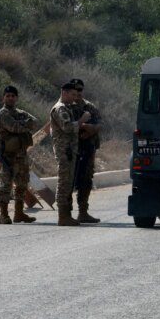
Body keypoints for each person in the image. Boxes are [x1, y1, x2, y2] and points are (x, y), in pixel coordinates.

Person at [0, 85, 38, 224]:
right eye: (8, 96)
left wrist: (21, 125)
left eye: (13, 96)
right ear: (3, 98)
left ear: (16, 98)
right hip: (8, 156)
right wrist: (23, 125)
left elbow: (35, 122)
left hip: (21, 155)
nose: (10, 98)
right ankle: (3, 215)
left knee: (22, 184)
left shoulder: (20, 112)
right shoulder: (2, 114)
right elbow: (15, 127)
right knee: (6, 185)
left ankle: (19, 213)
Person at [50, 81, 91, 226]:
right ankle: (63, 216)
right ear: (64, 92)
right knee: (64, 183)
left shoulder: (67, 107)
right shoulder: (60, 109)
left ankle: (66, 214)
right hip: (64, 151)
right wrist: (82, 121)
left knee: (68, 183)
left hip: (69, 151)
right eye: (72, 94)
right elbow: (67, 127)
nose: (75, 97)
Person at [69, 79, 103, 224]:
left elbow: (99, 124)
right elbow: (65, 127)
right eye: (75, 90)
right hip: (71, 150)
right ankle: (66, 213)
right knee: (69, 181)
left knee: (86, 180)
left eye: (80, 90)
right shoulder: (66, 107)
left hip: (88, 149)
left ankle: (83, 212)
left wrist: (91, 130)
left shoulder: (89, 106)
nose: (78, 92)